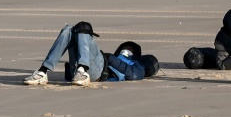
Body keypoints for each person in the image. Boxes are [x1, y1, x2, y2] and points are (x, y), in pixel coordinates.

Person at [22, 22, 159, 86]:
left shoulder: (137, 64)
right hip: (89, 66)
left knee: (84, 28)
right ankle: (43, 71)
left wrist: (110, 58)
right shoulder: (118, 56)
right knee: (69, 29)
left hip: (101, 71)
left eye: (130, 49)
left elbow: (133, 75)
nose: (126, 50)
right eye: (125, 48)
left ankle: (83, 70)